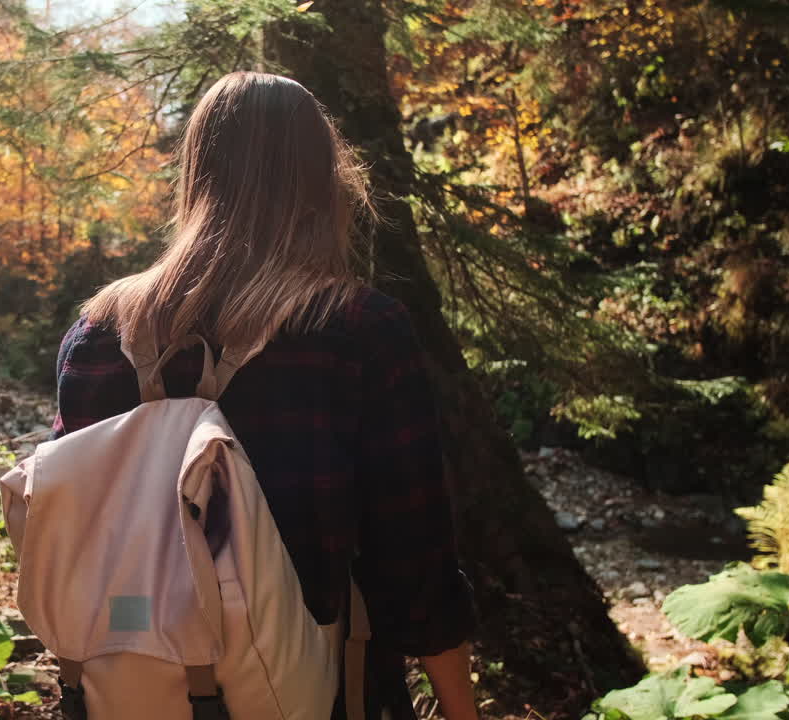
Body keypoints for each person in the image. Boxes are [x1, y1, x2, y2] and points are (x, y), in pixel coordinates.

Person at [50, 71, 479, 720]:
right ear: (320, 180)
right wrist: (461, 710)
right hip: (317, 694)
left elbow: (69, 535)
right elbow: (415, 562)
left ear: (196, 176)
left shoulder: (97, 337)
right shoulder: (356, 332)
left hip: (129, 693)